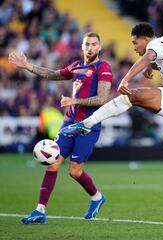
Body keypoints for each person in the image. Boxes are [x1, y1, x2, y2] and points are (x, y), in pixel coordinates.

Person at [61, 23, 163, 228]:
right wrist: (152, 69)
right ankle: (87, 123)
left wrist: (126, 77)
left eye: (135, 42)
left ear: (145, 39)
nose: (134, 47)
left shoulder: (157, 45)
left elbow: (147, 57)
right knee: (132, 96)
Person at [8, 32, 112, 224]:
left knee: (75, 172)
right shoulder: (76, 65)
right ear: (82, 47)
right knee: (53, 163)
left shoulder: (103, 67)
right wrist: (26, 66)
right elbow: (53, 74)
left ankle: (97, 197)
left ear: (99, 47)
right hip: (68, 123)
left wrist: (75, 100)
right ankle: (40, 210)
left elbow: (102, 98)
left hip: (87, 125)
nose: (90, 48)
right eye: (87, 44)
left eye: (94, 44)